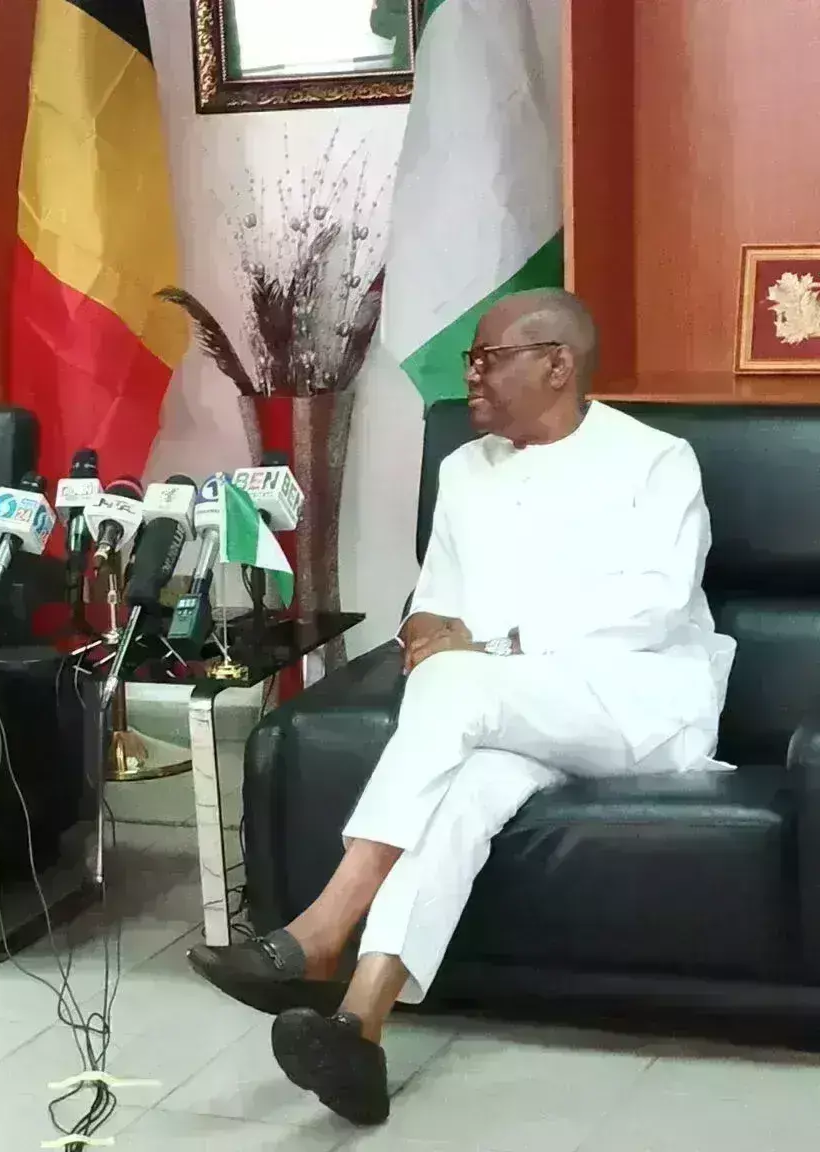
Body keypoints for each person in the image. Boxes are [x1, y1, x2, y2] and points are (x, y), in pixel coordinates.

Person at [187, 288, 735, 1124]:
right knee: (463, 789)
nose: (470, 375)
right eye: (470, 360)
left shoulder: (655, 459)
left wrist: (491, 643)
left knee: (457, 683)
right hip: (509, 709)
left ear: (558, 364)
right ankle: (358, 1028)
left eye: (489, 360)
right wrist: (425, 630)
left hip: (635, 703)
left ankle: (323, 926)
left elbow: (656, 605)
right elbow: (435, 606)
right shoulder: (463, 469)